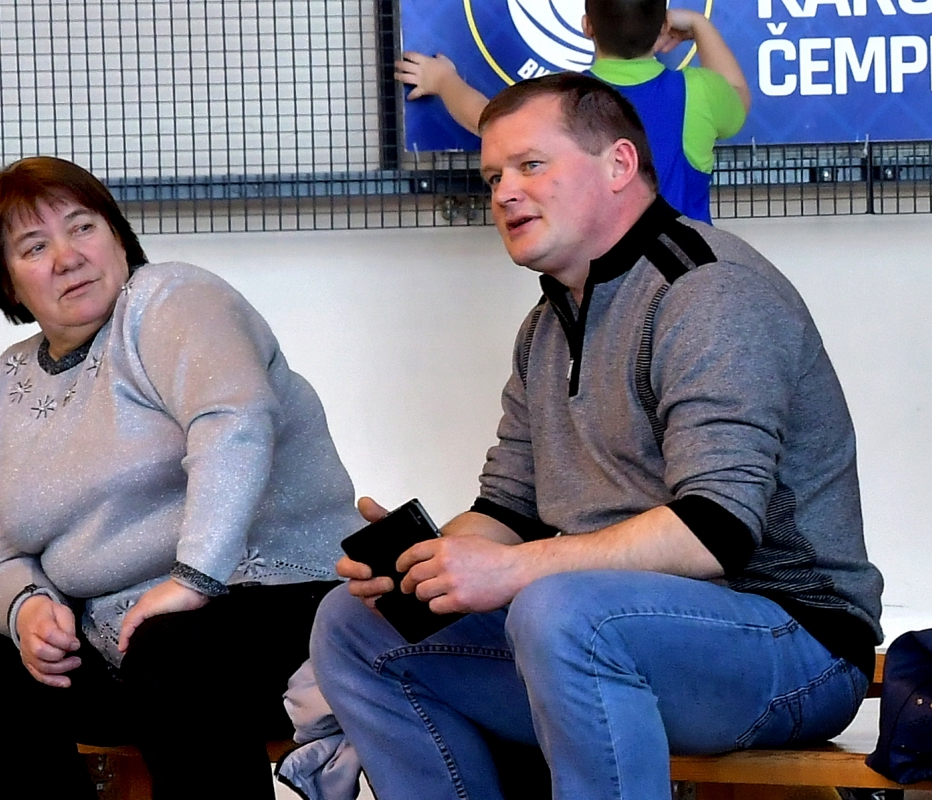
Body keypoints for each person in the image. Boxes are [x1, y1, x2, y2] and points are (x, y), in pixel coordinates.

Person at [310, 73, 883, 800]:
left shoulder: (709, 289)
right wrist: (424, 564)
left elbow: (717, 531)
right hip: (602, 628)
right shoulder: (545, 326)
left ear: (618, 164)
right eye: (493, 177)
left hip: (794, 642)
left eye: (530, 164)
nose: (504, 193)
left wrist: (513, 572)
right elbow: (510, 511)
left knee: (560, 609)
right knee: (354, 625)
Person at [0, 156, 363, 800]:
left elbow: (235, 425)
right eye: (35, 247)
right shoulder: (7, 382)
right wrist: (29, 610)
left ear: (118, 237)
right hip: (120, 637)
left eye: (83, 227)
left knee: (173, 650)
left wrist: (192, 580)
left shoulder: (169, 299)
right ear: (8, 283)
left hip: (274, 601)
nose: (68, 257)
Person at [396, 1, 750, 223]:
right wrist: (701, 26)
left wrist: (443, 81)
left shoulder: (559, 99)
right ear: (663, 25)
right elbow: (738, 94)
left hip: (601, 283)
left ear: (586, 26)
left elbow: (486, 118)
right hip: (688, 279)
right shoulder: (698, 92)